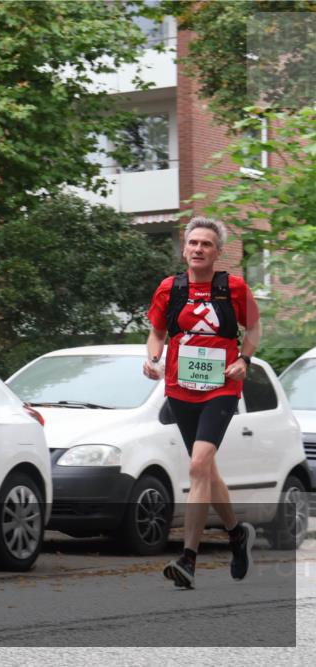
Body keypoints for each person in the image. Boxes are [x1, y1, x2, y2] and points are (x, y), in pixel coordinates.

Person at [143, 216, 261, 589]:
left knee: (197, 466)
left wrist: (244, 361)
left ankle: (188, 559)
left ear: (218, 252)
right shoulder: (170, 288)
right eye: (193, 243)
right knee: (207, 471)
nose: (198, 249)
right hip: (180, 389)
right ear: (184, 249)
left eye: (206, 244)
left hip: (221, 389)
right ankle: (237, 534)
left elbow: (253, 328)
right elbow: (157, 332)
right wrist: (153, 357)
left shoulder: (234, 288)